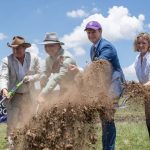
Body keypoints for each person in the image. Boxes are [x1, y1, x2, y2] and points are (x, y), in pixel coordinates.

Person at [69, 21, 125, 150]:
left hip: (114, 84)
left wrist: (80, 70)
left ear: (100, 31)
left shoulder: (106, 47)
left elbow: (97, 66)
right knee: (104, 118)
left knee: (108, 118)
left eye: (93, 32)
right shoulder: (92, 48)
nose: (91, 35)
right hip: (105, 86)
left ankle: (109, 148)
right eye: (88, 32)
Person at [0, 36, 41, 149]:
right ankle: (11, 146)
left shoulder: (34, 58)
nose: (15, 51)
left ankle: (29, 145)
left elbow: (40, 74)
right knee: (12, 123)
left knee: (29, 121)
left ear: (24, 48)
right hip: (14, 96)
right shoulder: (6, 61)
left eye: (18, 48)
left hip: (29, 95)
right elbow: (3, 77)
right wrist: (4, 89)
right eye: (13, 48)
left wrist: (30, 78)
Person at [38, 32, 77, 101]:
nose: (48, 48)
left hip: (76, 89)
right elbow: (45, 74)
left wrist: (43, 94)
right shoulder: (48, 59)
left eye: (51, 45)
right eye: (46, 46)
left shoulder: (67, 58)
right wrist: (42, 81)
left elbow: (58, 76)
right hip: (63, 89)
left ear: (58, 45)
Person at [134, 32, 150, 138]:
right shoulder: (137, 59)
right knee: (149, 122)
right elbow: (141, 79)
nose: (141, 45)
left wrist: (142, 87)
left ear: (149, 44)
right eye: (139, 43)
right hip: (147, 95)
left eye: (144, 43)